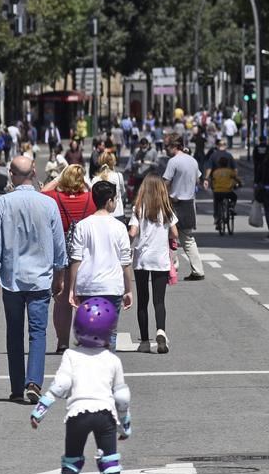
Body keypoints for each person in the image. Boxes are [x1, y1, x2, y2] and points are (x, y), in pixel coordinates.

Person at [29, 297, 132, 474]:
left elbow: (62, 385)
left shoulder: (72, 356)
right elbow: (121, 395)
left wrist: (41, 408)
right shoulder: (112, 360)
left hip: (77, 415)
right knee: (109, 463)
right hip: (105, 415)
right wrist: (125, 423)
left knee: (72, 463)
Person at [0, 156, 68, 404]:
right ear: (33, 172)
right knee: (38, 332)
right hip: (41, 278)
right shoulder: (48, 204)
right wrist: (60, 275)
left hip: (12, 277)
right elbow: (58, 244)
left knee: (14, 331)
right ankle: (34, 381)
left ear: (11, 174)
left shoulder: (2, 204)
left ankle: (16, 386)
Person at [67, 181, 133, 350]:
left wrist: (72, 288)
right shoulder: (119, 227)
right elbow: (125, 262)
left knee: (87, 333)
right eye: (115, 199)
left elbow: (76, 259)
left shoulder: (82, 225)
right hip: (112, 286)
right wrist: (128, 289)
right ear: (110, 201)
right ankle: (108, 370)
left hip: (87, 285)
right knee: (110, 332)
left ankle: (89, 370)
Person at [43, 165, 95, 353]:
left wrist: (59, 177)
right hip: (86, 255)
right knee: (86, 299)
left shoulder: (54, 199)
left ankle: (63, 342)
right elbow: (95, 193)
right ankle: (86, 338)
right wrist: (86, 184)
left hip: (61, 254)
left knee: (62, 300)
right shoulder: (90, 198)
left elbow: (42, 192)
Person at [130, 174, 178, 354]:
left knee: (143, 300)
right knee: (159, 300)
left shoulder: (138, 208)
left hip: (142, 258)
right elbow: (174, 233)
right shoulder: (166, 210)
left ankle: (143, 341)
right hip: (160, 259)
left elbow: (133, 232)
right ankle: (161, 332)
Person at [162, 133, 205, 281]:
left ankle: (172, 266)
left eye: (167, 146)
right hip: (188, 204)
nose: (165, 149)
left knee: (167, 237)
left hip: (174, 204)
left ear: (174, 146)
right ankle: (198, 270)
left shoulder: (173, 162)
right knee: (188, 239)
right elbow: (199, 179)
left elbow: (165, 182)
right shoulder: (193, 161)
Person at [93, 151, 129, 225]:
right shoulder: (119, 176)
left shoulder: (95, 179)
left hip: (101, 215)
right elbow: (123, 193)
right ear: (113, 162)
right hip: (118, 213)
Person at [210, 155, 241, 226]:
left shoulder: (215, 172)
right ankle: (231, 207)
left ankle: (217, 218)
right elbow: (237, 178)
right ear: (227, 164)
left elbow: (212, 181)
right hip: (227, 191)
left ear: (219, 164)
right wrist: (240, 183)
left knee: (217, 203)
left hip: (217, 192)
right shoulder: (230, 171)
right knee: (234, 197)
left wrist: (213, 187)